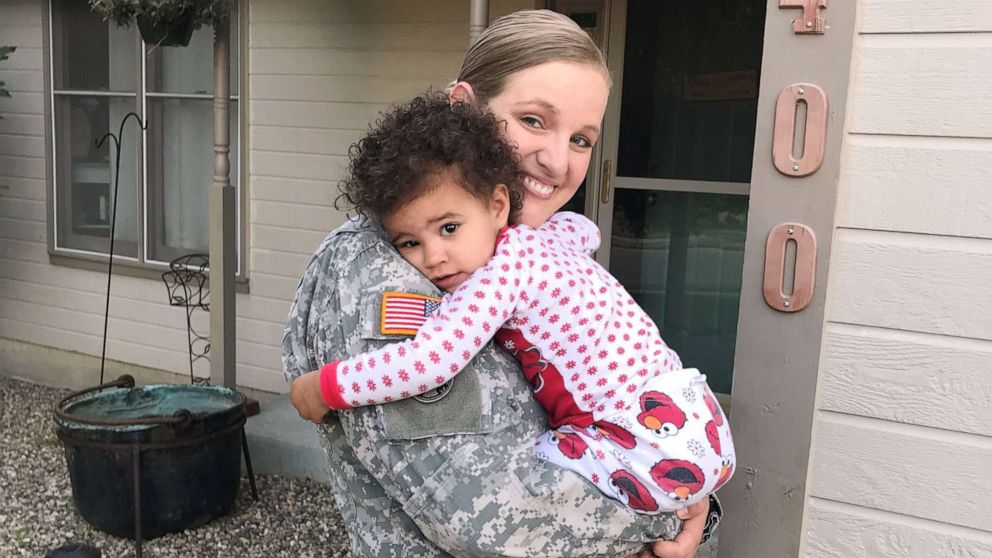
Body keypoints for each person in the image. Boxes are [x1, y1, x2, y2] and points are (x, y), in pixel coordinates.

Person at [283, 10, 720, 558]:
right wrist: (670, 498)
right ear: (464, 109)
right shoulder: (382, 263)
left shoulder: (530, 251)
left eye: (582, 139)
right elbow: (488, 510)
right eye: (534, 120)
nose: (558, 161)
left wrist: (679, 478)